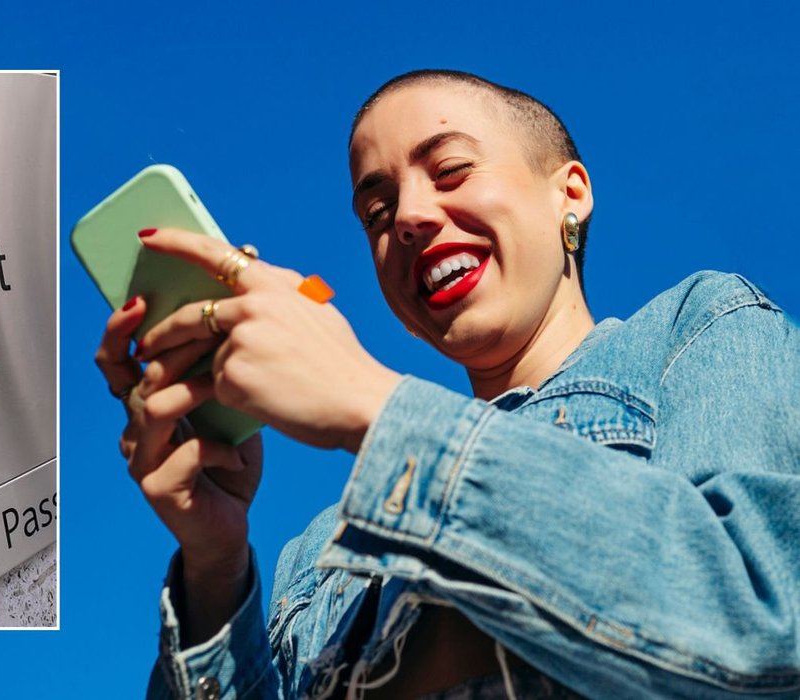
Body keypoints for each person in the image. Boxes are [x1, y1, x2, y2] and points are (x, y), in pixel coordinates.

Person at [95, 70, 800, 699]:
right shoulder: (316, 555)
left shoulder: (699, 327)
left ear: (570, 193)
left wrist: (376, 409)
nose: (406, 217)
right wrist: (214, 567)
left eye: (452, 170)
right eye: (376, 214)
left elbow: (766, 630)